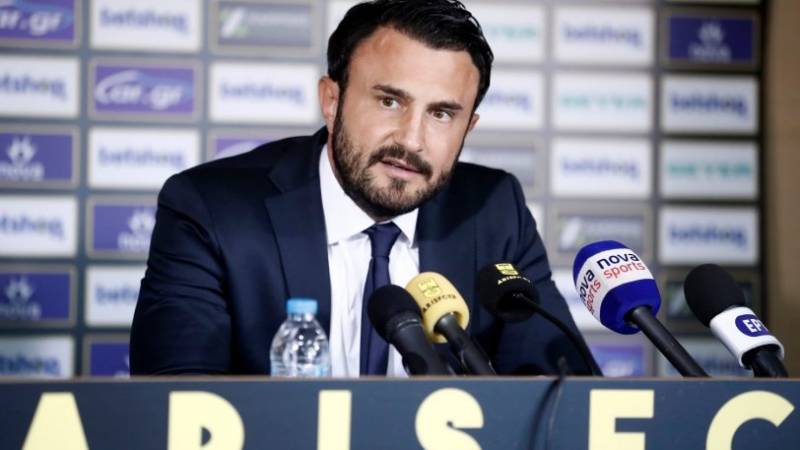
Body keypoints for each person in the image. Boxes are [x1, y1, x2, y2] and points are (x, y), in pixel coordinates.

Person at [130, 0, 591, 376]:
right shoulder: (212, 209)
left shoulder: (494, 211)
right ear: (332, 100)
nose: (411, 140)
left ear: (468, 127)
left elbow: (561, 392)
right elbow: (180, 407)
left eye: (441, 114)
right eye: (390, 101)